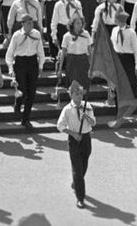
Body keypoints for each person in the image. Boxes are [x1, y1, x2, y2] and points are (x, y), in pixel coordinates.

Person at [56, 79, 96, 209]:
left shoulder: (88, 106)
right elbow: (60, 126)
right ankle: (80, 197)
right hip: (74, 140)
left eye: (80, 93)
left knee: (84, 165)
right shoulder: (67, 109)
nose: (79, 96)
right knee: (77, 171)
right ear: (71, 95)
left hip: (86, 139)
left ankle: (77, 182)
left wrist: (87, 118)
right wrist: (73, 134)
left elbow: (94, 123)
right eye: (77, 94)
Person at [6, 12, 44, 129]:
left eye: (32, 23)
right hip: (21, 62)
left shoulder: (36, 34)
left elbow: (40, 51)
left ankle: (26, 118)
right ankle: (18, 103)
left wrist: (41, 66)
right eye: (28, 23)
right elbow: (10, 54)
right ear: (22, 24)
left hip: (32, 62)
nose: (30, 25)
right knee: (23, 90)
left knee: (32, 92)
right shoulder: (17, 35)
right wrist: (10, 68)